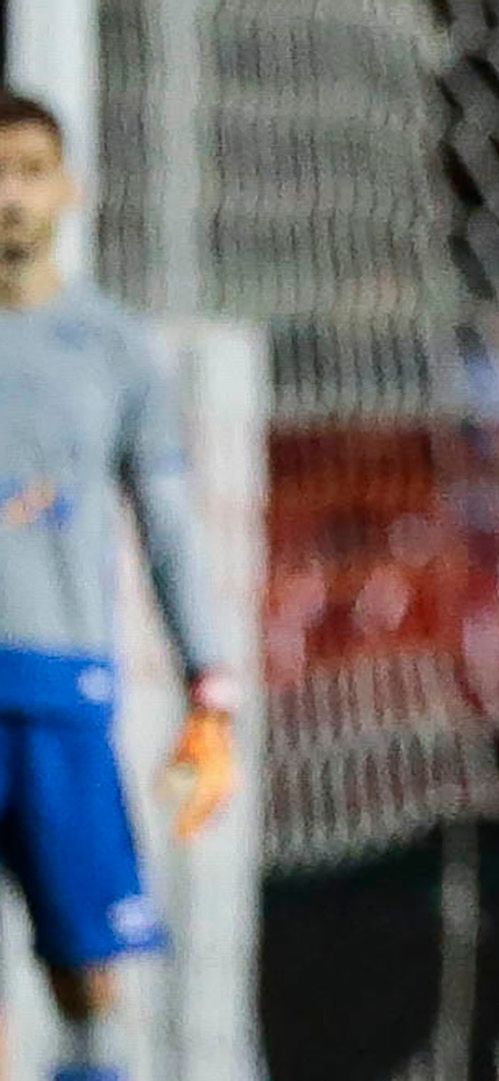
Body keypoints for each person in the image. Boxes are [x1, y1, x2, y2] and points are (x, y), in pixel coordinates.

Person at [0, 92, 237, 1081]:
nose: (9, 195)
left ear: (70, 187)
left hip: (60, 698)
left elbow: (170, 527)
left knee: (89, 980)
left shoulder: (116, 347)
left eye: (29, 169)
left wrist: (209, 692)